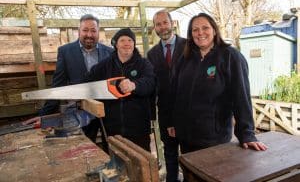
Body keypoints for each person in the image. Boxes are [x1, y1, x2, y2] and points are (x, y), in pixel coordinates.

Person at [168, 13, 267, 156]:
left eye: (205, 28)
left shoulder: (230, 57)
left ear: (214, 30)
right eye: (195, 30)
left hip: (214, 139)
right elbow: (175, 94)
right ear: (191, 34)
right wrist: (173, 122)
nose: (200, 33)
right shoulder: (185, 59)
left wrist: (247, 134)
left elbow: (241, 97)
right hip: (186, 137)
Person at [24, 14, 113, 142]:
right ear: (79, 31)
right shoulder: (66, 52)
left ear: (98, 32)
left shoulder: (109, 52)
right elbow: (58, 85)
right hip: (81, 113)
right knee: (84, 150)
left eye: (93, 30)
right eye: (85, 30)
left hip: (107, 112)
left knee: (111, 148)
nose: (89, 34)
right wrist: (44, 117)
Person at [88, 28, 155, 151]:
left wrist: (135, 85)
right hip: (112, 130)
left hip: (138, 129)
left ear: (134, 44)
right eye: (122, 40)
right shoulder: (104, 66)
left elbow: (150, 83)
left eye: (130, 40)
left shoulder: (144, 64)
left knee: (141, 165)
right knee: (115, 167)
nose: (126, 43)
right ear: (116, 44)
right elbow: (89, 82)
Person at [147, 10, 185, 182]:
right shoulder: (152, 54)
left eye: (165, 23)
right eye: (158, 24)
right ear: (154, 28)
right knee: (169, 154)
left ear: (172, 23)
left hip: (188, 114)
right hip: (165, 115)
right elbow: (154, 87)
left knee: (190, 155)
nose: (162, 27)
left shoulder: (189, 46)